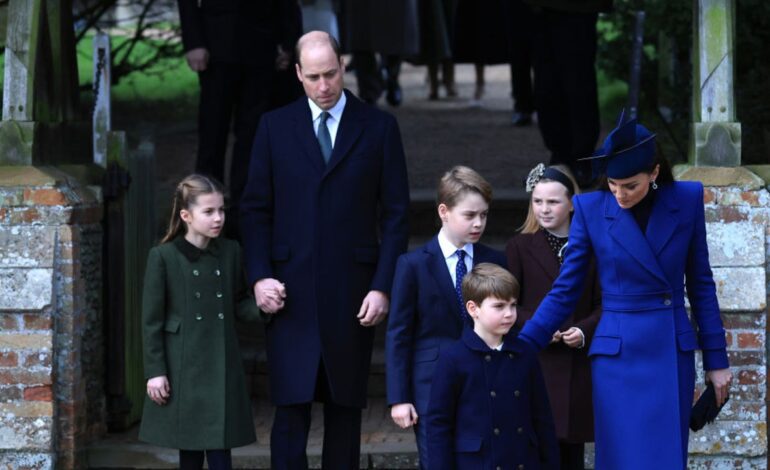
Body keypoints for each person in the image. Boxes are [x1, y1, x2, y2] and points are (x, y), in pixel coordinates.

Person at [518, 115, 733, 469]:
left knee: (664, 458)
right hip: (616, 355)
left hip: (668, 347)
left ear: (654, 172)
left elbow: (700, 283)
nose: (619, 194)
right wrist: (521, 347)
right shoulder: (590, 208)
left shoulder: (688, 198)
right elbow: (565, 291)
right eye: (613, 184)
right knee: (620, 457)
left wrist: (717, 359)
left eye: (630, 185)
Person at [240, 31, 410, 469]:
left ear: (343, 66)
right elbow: (255, 209)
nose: (323, 85)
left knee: (345, 413)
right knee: (290, 412)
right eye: (313, 76)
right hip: (288, 292)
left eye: (330, 73)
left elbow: (395, 216)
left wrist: (382, 286)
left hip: (353, 293)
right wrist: (258, 276)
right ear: (297, 73)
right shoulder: (273, 127)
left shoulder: (379, 127)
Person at [386, 166, 507, 469]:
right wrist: (399, 397)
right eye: (469, 215)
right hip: (431, 387)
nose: (478, 223)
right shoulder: (412, 265)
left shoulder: (495, 260)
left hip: (484, 383)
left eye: (484, 215)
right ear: (444, 211)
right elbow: (399, 333)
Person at [139, 174, 261, 470]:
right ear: (186, 216)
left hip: (221, 363)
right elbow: (151, 321)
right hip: (183, 366)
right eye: (209, 212)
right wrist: (156, 372)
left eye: (221, 210)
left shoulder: (230, 252)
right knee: (190, 452)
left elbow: (239, 305)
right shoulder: (164, 256)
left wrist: (266, 305)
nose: (218, 218)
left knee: (221, 450)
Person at [506, 163, 601, 469]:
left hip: (578, 363)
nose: (544, 209)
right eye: (537, 201)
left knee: (572, 452)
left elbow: (606, 302)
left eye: (553, 201)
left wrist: (584, 330)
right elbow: (508, 304)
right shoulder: (520, 246)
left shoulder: (593, 246)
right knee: (538, 448)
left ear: (573, 202)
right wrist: (537, 326)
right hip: (539, 360)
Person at [177, 0, 295, 238]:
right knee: (212, 133)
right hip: (216, 43)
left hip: (262, 43)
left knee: (253, 137)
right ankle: (204, 213)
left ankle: (244, 215)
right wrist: (194, 41)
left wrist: (289, 41)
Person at [426, 263, 559, 469]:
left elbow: (542, 418)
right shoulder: (453, 359)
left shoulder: (525, 353)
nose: (509, 313)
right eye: (499, 306)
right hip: (477, 463)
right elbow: (439, 425)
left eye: (513, 305)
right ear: (473, 309)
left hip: (523, 460)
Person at [525, 0, 612, 183]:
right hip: (541, 9)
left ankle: (579, 157)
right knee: (547, 83)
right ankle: (562, 155)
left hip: (576, 10)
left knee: (577, 81)